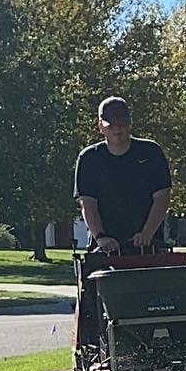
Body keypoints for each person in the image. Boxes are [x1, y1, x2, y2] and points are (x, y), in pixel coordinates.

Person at [73, 96, 172, 255]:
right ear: (101, 126)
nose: (117, 129)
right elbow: (88, 204)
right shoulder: (89, 159)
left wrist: (147, 233)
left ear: (130, 124)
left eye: (122, 124)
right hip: (104, 248)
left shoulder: (151, 152)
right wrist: (101, 237)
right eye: (111, 125)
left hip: (148, 246)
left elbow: (162, 197)